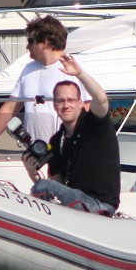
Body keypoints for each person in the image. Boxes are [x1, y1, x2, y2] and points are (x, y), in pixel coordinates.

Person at [0, 15, 86, 155]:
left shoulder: (75, 68)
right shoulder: (28, 69)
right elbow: (11, 106)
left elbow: (88, 108)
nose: (27, 46)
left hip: (66, 152)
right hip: (33, 153)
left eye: (30, 41)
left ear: (45, 43)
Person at [24, 55, 120, 215]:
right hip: (75, 209)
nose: (66, 105)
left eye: (71, 100)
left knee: (43, 186)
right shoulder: (56, 141)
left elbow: (101, 100)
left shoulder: (95, 123)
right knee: (43, 186)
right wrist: (31, 172)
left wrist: (79, 73)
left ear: (80, 103)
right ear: (54, 105)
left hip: (101, 206)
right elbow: (57, 186)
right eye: (60, 101)